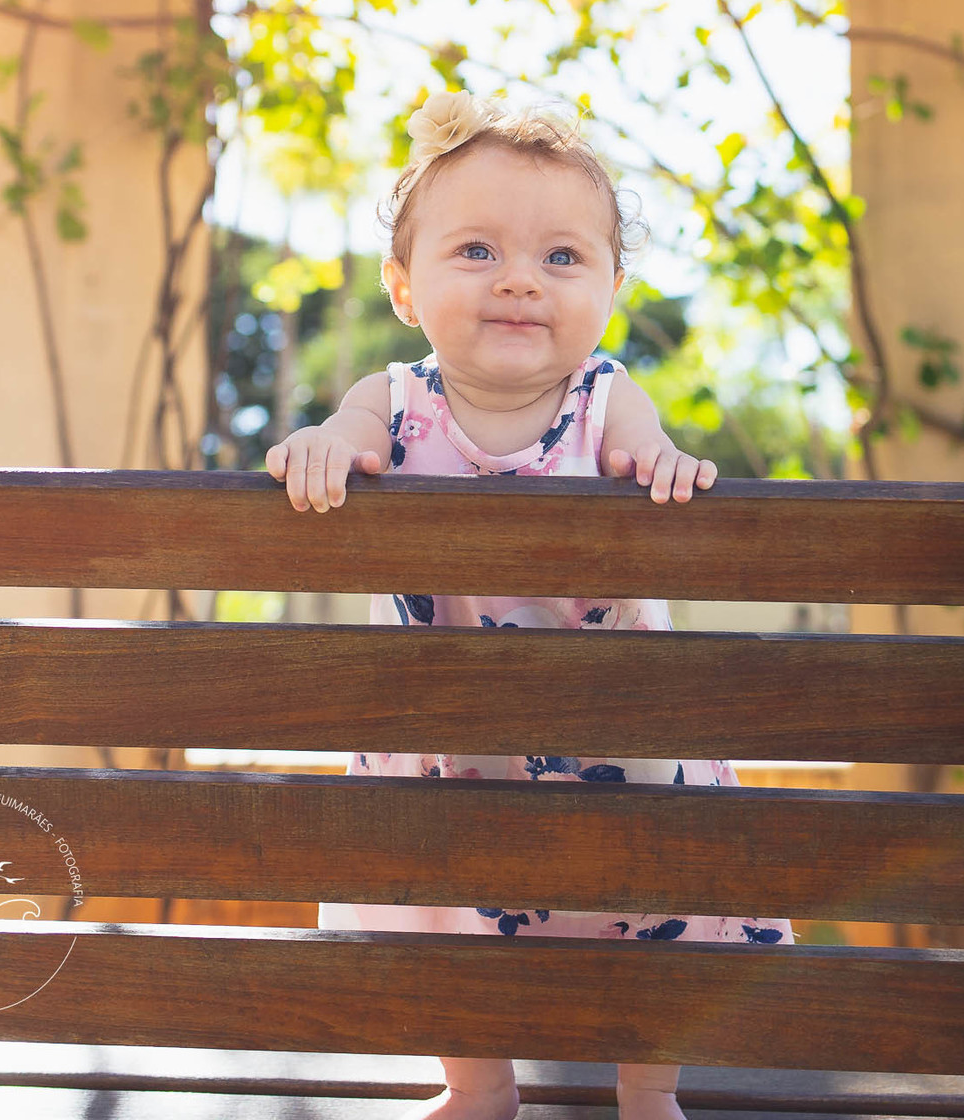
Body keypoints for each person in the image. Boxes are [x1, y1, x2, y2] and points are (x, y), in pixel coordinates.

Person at [265, 91, 794, 1120]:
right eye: (476, 252)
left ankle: (648, 1092)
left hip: (614, 741)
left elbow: (650, 458)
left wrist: (664, 466)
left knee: (660, 907)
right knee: (444, 916)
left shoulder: (605, 399)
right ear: (404, 287)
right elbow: (348, 434)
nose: (519, 279)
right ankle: (480, 1085)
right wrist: (330, 443)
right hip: (450, 754)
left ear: (611, 289)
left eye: (561, 258)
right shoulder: (394, 400)